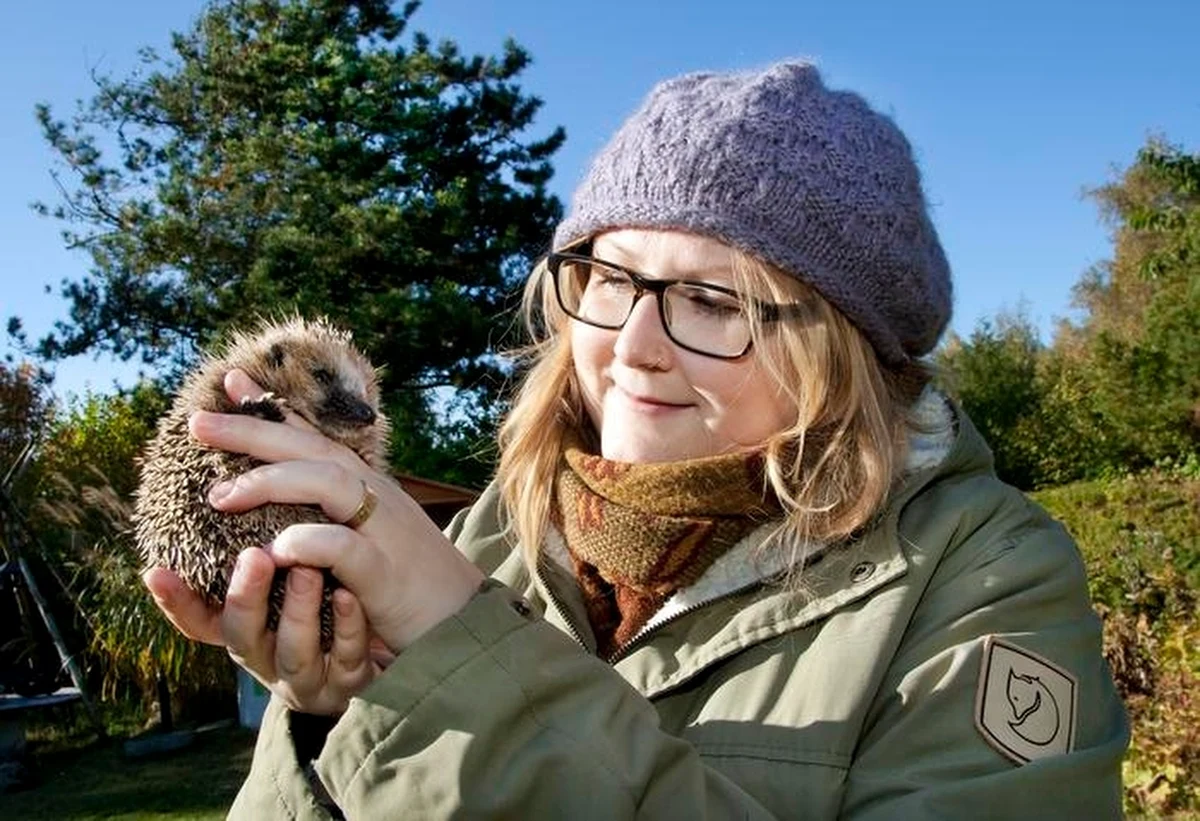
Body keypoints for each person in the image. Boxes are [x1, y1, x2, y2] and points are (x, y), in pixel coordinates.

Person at [143, 62, 1129, 819]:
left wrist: (459, 649)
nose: (633, 348)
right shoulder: (491, 532)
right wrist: (331, 716)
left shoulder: (987, 574)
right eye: (612, 282)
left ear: (843, 348)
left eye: (710, 300)